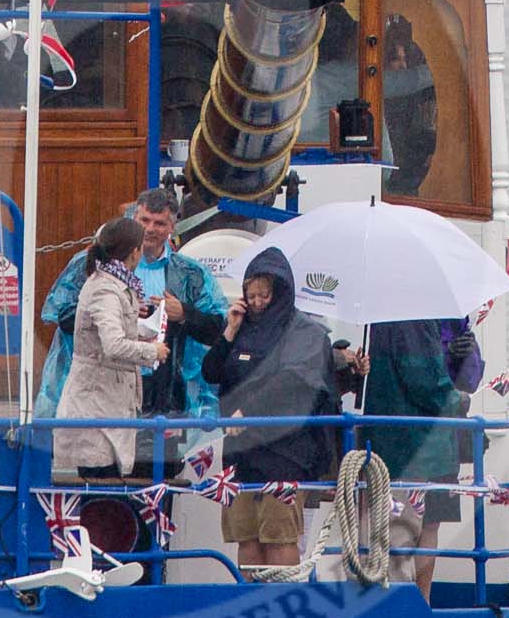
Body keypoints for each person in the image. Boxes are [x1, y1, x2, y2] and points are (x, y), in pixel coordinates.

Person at [36, 189, 229, 434]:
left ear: (172, 227)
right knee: (102, 466)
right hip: (103, 386)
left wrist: (184, 314)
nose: (150, 229)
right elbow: (63, 316)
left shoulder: (191, 275)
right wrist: (116, 312)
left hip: (165, 393)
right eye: (144, 220)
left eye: (159, 223)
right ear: (132, 219)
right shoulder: (91, 265)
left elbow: (217, 330)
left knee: (158, 468)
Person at [201, 247, 342, 568]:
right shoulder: (244, 328)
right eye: (251, 296)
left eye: (264, 295)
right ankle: (251, 606)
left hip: (286, 452)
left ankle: (281, 604)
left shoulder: (306, 332)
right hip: (241, 453)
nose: (257, 303)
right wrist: (230, 330)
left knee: (279, 537)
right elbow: (211, 371)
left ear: (280, 292)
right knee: (246, 536)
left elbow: (290, 380)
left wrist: (247, 411)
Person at [339, 316, 484, 598]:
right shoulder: (414, 318)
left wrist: (466, 356)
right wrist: (456, 400)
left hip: (410, 442)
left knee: (416, 527)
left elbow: (467, 377)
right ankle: (409, 608)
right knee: (403, 530)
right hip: (416, 442)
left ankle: (412, 603)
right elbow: (422, 378)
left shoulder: (389, 315)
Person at [54, 218, 171, 477]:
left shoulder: (115, 285)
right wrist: (152, 352)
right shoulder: (105, 290)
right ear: (134, 252)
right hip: (96, 410)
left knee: (108, 493)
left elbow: (115, 330)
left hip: (108, 404)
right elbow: (113, 344)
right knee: (100, 496)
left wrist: (144, 333)